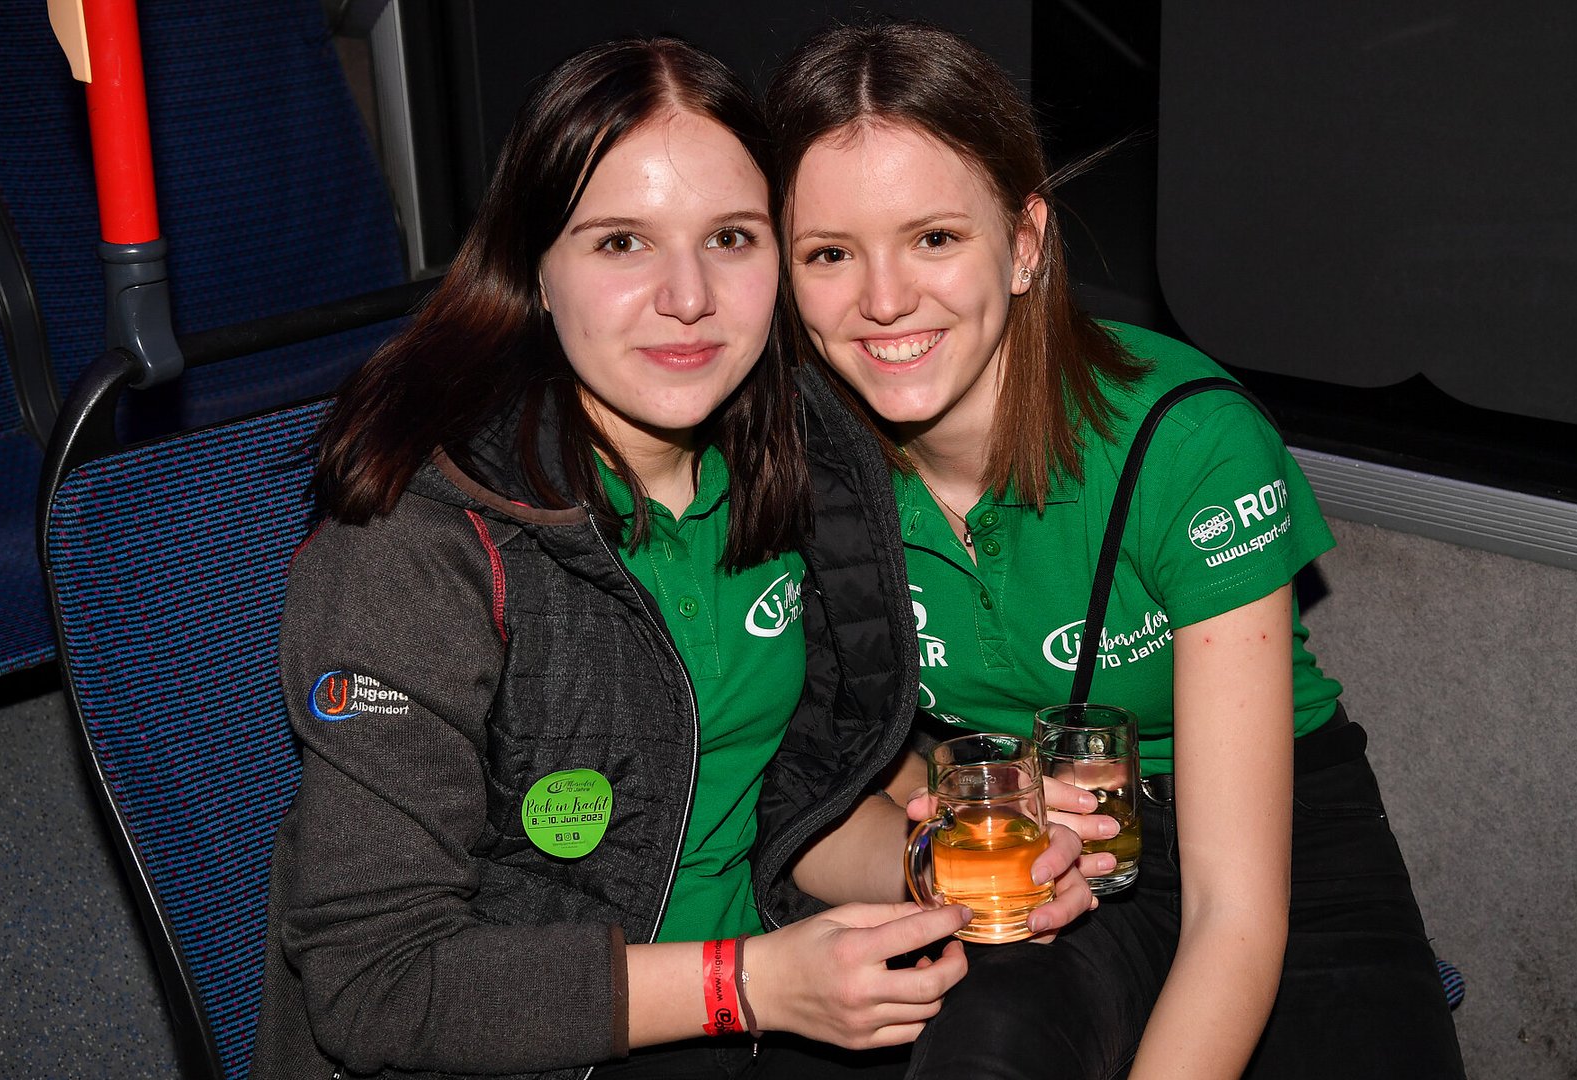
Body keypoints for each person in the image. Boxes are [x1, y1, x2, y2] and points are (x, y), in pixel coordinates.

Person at [249, 36, 1094, 1080]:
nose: (687, 296)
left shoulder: (796, 467)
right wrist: (744, 984)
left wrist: (949, 869)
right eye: (621, 244)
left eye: (731, 238)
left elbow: (793, 797)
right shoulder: (415, 545)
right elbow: (375, 984)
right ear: (535, 269)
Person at [765, 21, 1467, 1080]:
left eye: (935, 238)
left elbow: (1235, 913)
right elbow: (820, 771)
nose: (884, 299)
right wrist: (933, 835)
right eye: (829, 254)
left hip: (1272, 844)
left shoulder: (1187, 441)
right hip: (1033, 833)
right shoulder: (792, 473)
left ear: (1025, 243)